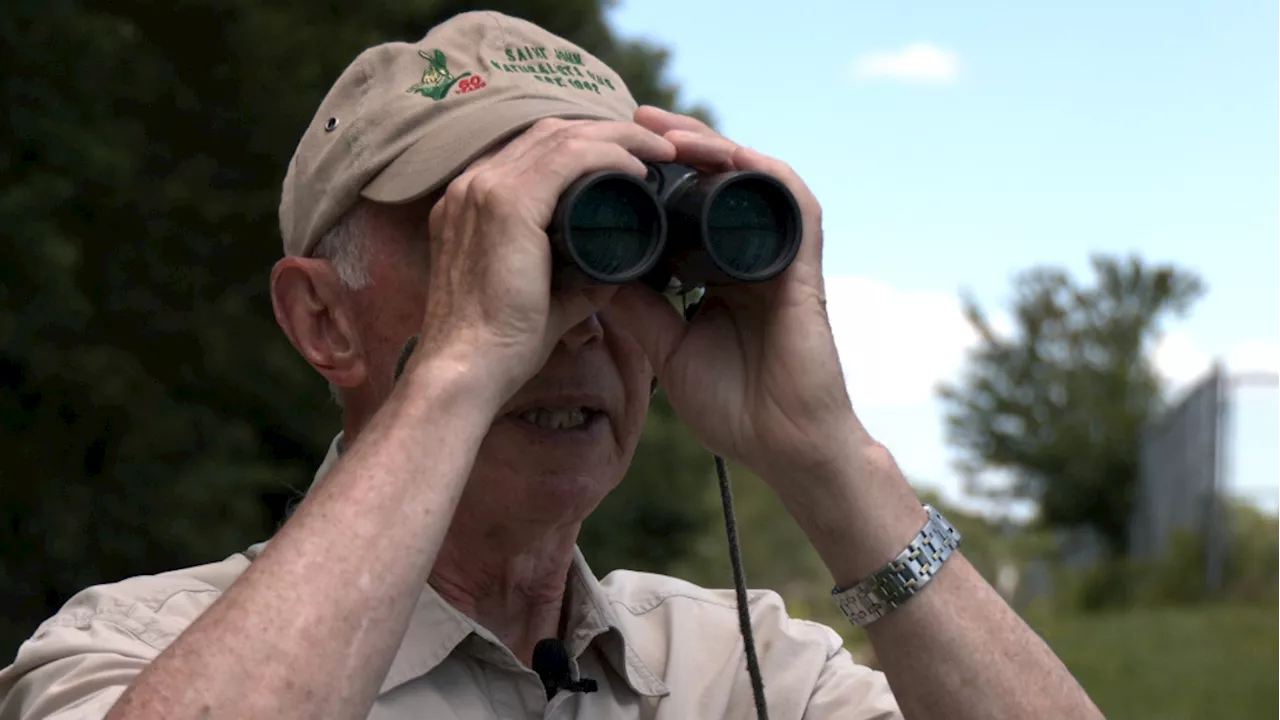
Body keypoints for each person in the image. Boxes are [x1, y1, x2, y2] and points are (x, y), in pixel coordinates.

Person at [0, 11, 1102, 720]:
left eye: (607, 243)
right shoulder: (136, 650)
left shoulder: (738, 666)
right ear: (322, 321)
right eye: (486, 240)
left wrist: (825, 455)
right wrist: (468, 362)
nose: (568, 319)